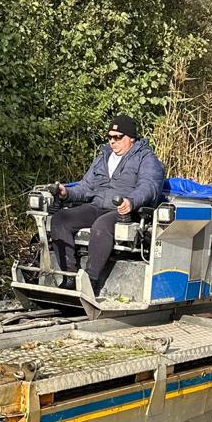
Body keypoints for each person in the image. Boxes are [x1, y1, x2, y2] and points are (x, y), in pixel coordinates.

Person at [49, 115, 166, 295]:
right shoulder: (103, 157)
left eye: (118, 137)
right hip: (97, 206)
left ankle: (90, 282)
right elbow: (86, 186)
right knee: (60, 219)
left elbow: (149, 186)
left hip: (124, 211)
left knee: (101, 226)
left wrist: (131, 201)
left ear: (131, 138)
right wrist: (67, 193)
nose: (112, 141)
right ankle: (69, 278)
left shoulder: (146, 158)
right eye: (110, 137)